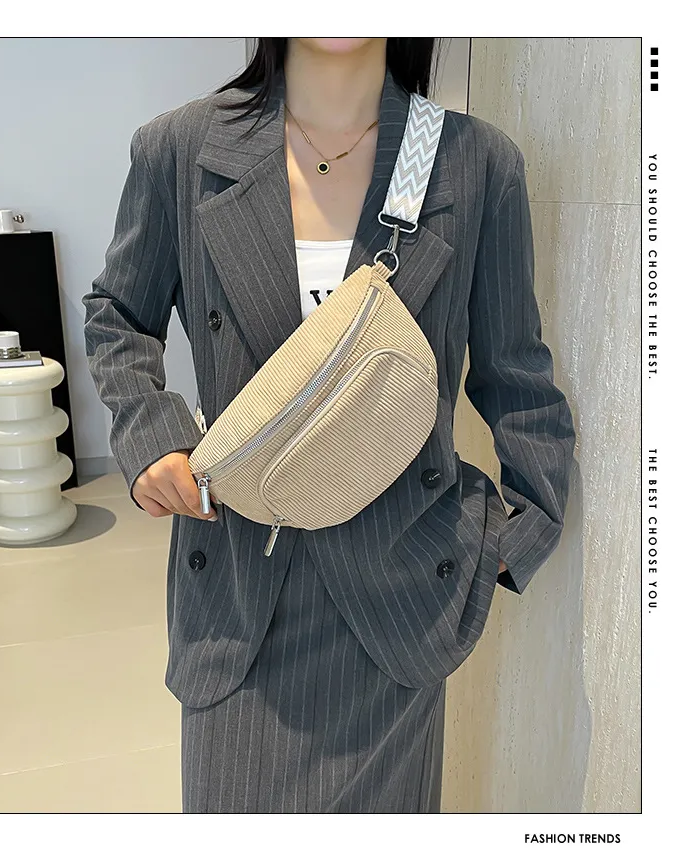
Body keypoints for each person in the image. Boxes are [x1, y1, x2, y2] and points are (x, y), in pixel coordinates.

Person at [82, 37, 576, 813]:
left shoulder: (469, 162)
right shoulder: (181, 148)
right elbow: (118, 315)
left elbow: (514, 367)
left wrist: (517, 537)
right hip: (240, 596)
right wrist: (150, 435)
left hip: (398, 599)